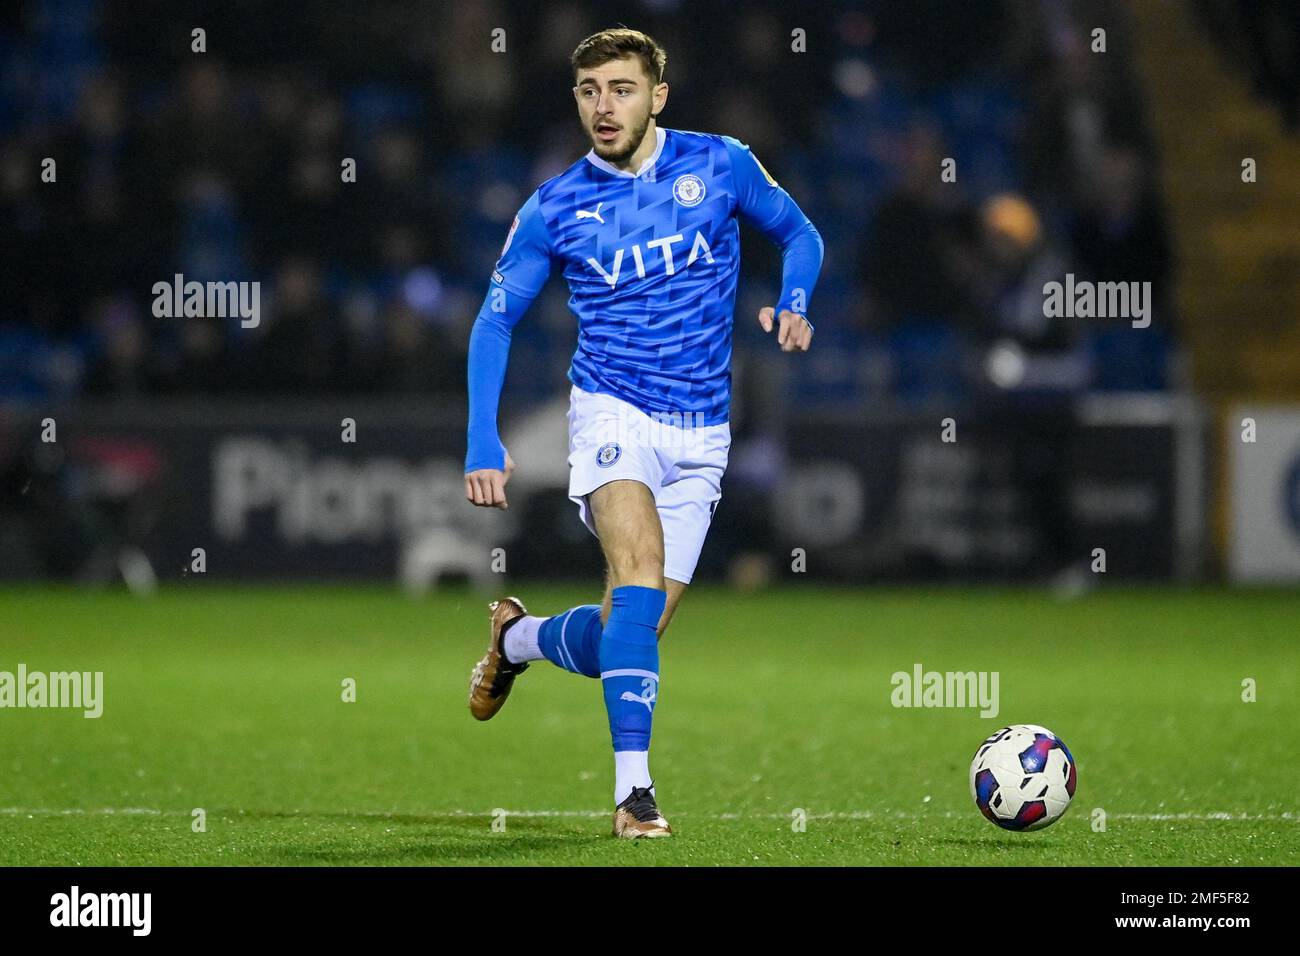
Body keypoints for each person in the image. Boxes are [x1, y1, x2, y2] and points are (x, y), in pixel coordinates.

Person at [462, 27, 823, 838]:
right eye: (589, 91)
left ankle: (517, 640)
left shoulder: (721, 164)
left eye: (621, 89)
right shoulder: (554, 206)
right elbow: (494, 321)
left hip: (703, 429)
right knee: (636, 573)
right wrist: (484, 440)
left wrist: (794, 301)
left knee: (630, 631)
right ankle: (635, 796)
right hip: (611, 410)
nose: (604, 106)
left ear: (658, 95)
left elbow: (801, 233)